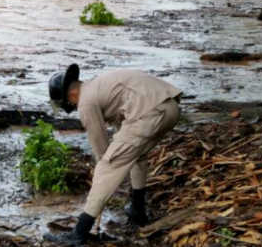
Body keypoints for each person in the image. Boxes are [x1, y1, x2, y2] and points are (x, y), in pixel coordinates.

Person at [44, 65, 182, 244]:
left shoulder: (86, 102)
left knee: (107, 166)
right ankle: (137, 210)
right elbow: (122, 124)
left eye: (67, 102)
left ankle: (79, 234)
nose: (70, 105)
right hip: (170, 107)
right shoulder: (98, 85)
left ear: (70, 96)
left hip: (150, 114)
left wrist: (103, 170)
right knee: (137, 155)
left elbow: (101, 148)